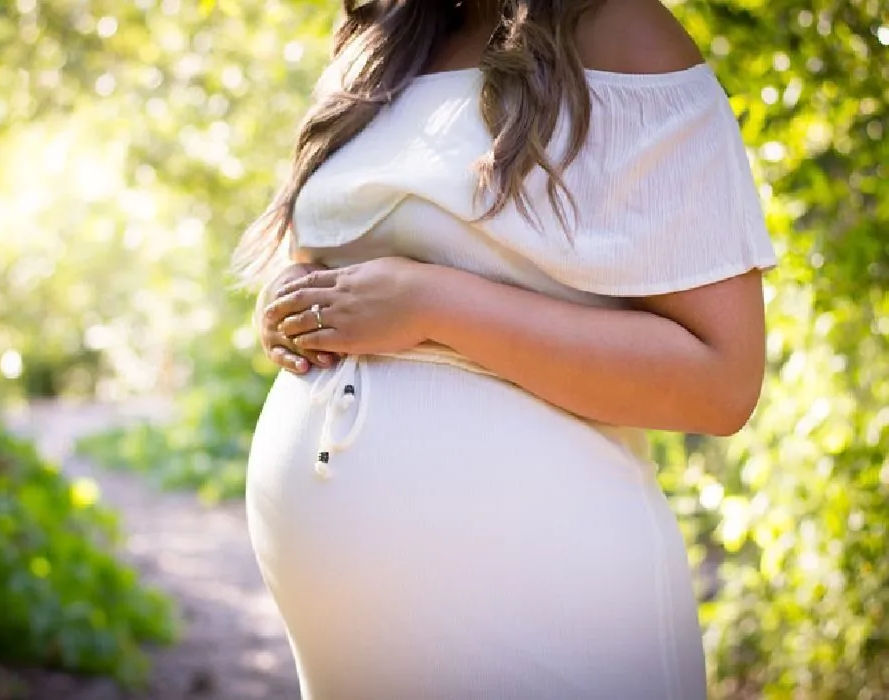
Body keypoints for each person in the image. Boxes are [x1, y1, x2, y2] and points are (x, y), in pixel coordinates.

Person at [237, 0, 777, 698]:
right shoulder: (389, 40)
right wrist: (291, 300)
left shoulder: (624, 32)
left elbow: (721, 379)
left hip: (554, 599)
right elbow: (336, 252)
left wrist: (437, 304)